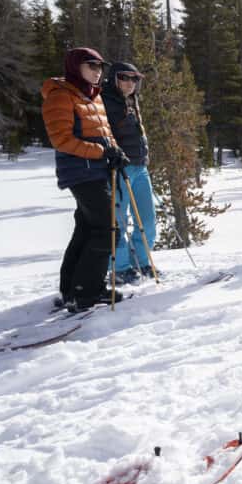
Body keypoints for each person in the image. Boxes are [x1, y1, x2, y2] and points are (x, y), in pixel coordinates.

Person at [42, 47, 129, 311]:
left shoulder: (93, 96)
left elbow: (105, 133)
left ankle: (72, 288)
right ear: (75, 66)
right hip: (81, 172)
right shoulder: (61, 96)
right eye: (91, 65)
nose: (97, 71)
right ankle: (87, 291)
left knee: (86, 228)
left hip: (96, 170)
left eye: (100, 66)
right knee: (106, 229)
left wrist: (116, 152)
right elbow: (61, 140)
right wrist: (103, 151)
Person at [102, 62, 155, 284]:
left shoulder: (133, 100)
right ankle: (120, 266)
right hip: (119, 168)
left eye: (135, 79)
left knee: (148, 219)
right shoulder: (105, 99)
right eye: (125, 78)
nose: (130, 83)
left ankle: (142, 262)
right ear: (114, 78)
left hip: (140, 167)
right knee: (119, 221)